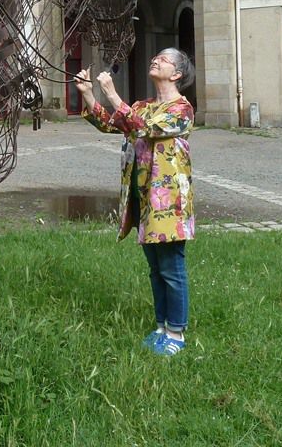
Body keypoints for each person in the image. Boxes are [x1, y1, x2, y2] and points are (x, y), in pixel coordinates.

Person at [75, 48, 195, 356]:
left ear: (177, 74)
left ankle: (177, 333)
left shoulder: (182, 109)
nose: (156, 59)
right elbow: (112, 123)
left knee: (171, 267)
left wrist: (113, 94)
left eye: (165, 59)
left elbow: (143, 128)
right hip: (142, 195)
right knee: (155, 268)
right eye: (155, 56)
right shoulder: (143, 105)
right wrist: (89, 94)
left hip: (168, 201)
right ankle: (161, 327)